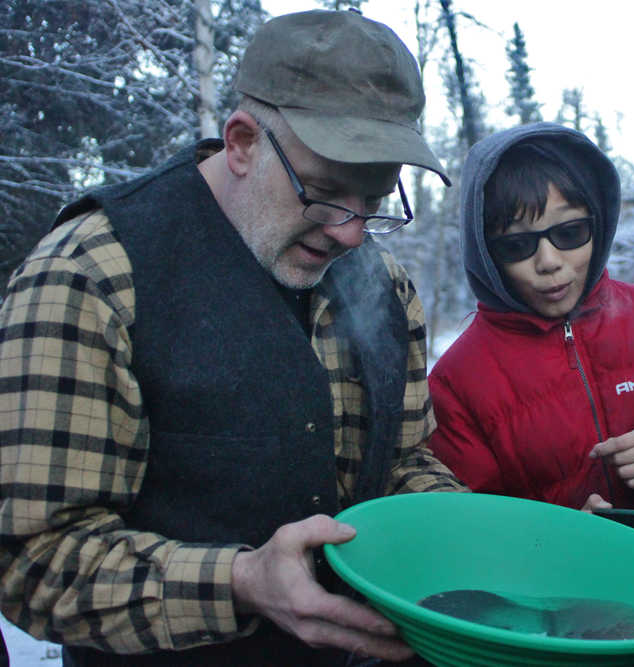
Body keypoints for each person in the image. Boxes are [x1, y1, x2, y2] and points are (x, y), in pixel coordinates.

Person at [0, 9, 465, 666]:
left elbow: (401, 460)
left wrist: (462, 528)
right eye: (326, 192)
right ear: (242, 141)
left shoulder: (386, 287)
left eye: (374, 199)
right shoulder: (90, 278)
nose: (352, 233)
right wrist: (240, 583)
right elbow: (35, 561)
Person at [428, 123, 634, 513]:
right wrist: (563, 536)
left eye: (570, 233)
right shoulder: (458, 382)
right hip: (555, 574)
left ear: (598, 224)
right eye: (518, 245)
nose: (549, 263)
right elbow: (474, 526)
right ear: (486, 254)